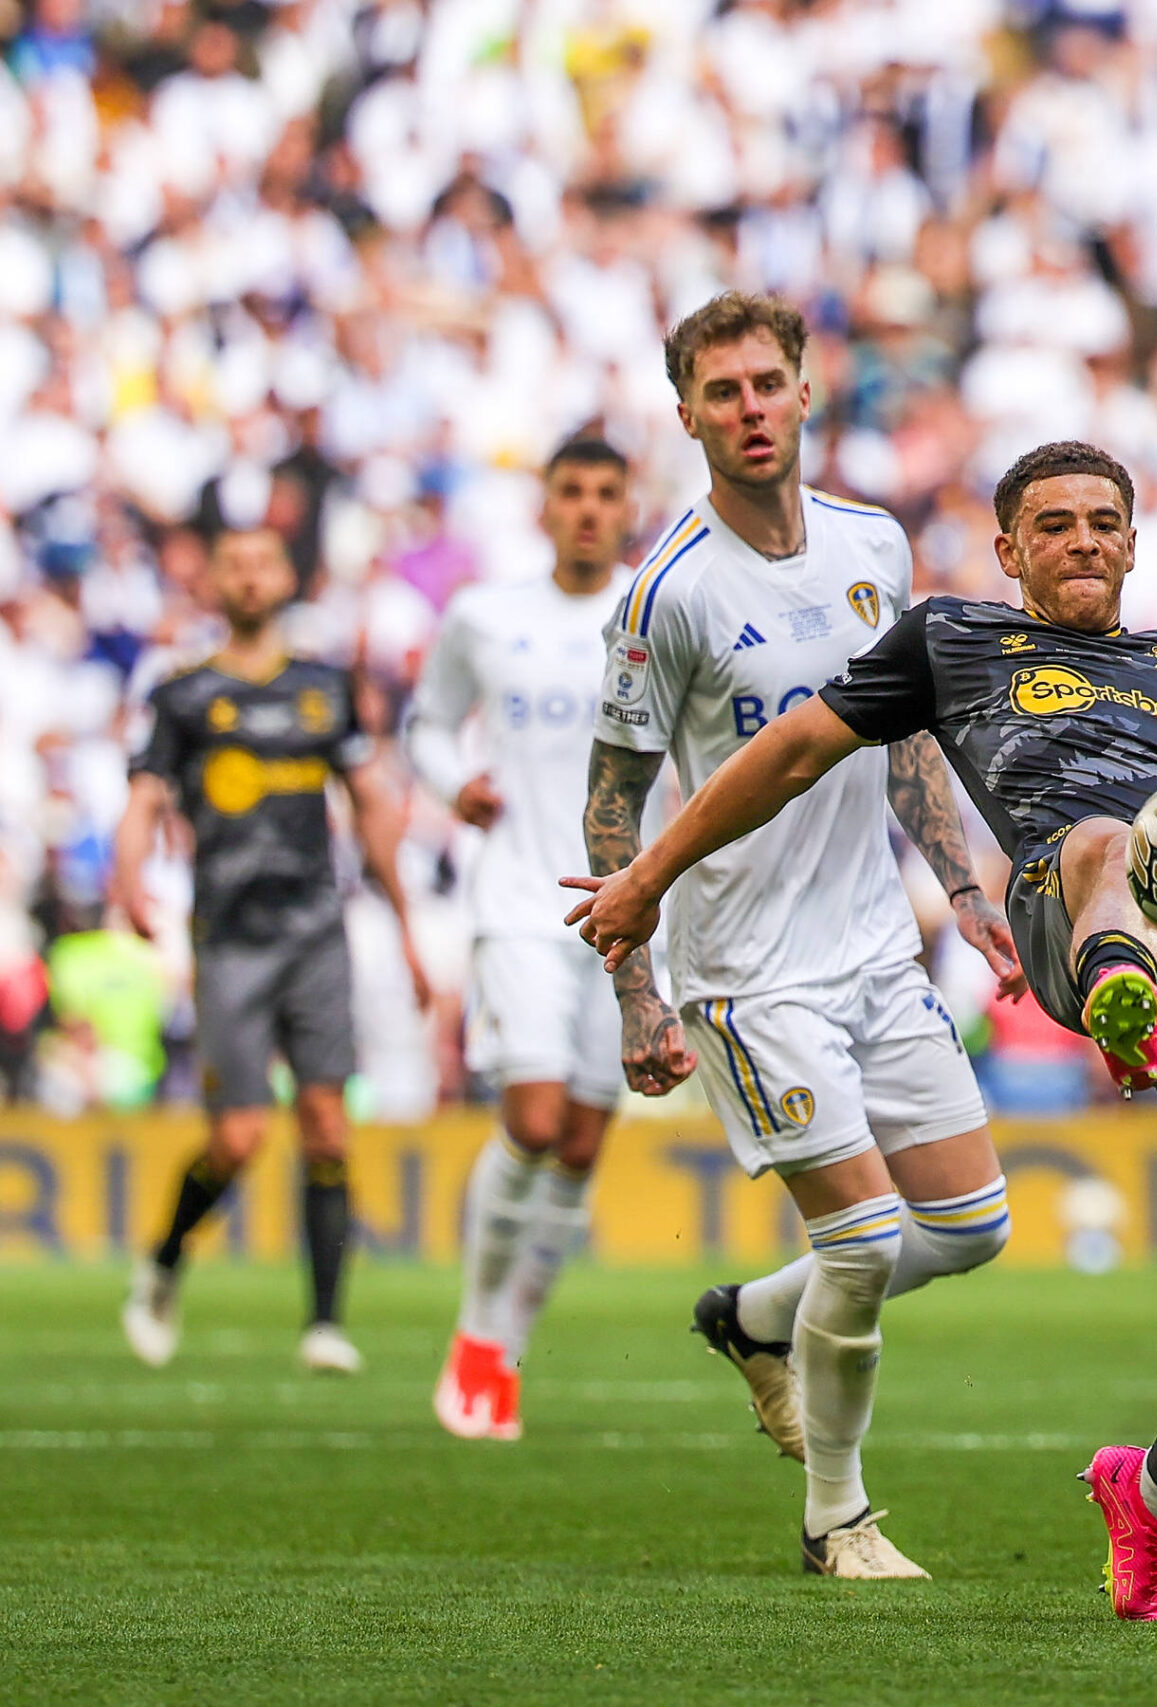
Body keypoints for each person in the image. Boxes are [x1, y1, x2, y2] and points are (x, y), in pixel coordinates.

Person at [567, 438, 1157, 1623]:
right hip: (1070, 892)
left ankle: (1151, 1500)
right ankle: (1125, 986)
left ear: (1131, 541)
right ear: (1010, 549)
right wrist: (648, 873)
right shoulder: (956, 641)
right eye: (1053, 524)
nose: (1082, 541)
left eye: (1103, 522)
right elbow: (796, 751)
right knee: (1122, 836)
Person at [574, 292, 1023, 1580]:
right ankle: (840, 1518)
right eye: (721, 395)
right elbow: (613, 801)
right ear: (688, 417)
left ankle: (753, 1322)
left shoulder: (871, 541)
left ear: (807, 390)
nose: (749, 410)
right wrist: (636, 995)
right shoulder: (668, 594)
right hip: (746, 972)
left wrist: (967, 891)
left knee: (975, 1226)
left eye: (766, 384)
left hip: (877, 952)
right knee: (867, 1243)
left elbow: (906, 734)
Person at [111, 525, 432, 1375]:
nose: (251, 577)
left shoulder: (323, 688)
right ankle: (164, 1260)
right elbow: (145, 797)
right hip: (231, 938)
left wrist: (404, 925)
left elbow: (368, 803)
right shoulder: (183, 693)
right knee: (241, 1137)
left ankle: (324, 1322)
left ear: (286, 576)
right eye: (235, 563)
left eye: (263, 561)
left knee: (328, 1125)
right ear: (213, 581)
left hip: (314, 931)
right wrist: (129, 878)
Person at [405, 435, 636, 1440]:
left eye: (604, 495)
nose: (587, 510)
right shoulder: (484, 616)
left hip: (627, 910)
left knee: (581, 1145)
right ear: (543, 508)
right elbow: (423, 722)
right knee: (534, 1120)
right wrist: (453, 784)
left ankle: (506, 1347)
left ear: (627, 509)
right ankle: (472, 1332)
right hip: (517, 904)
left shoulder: (655, 616)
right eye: (570, 493)